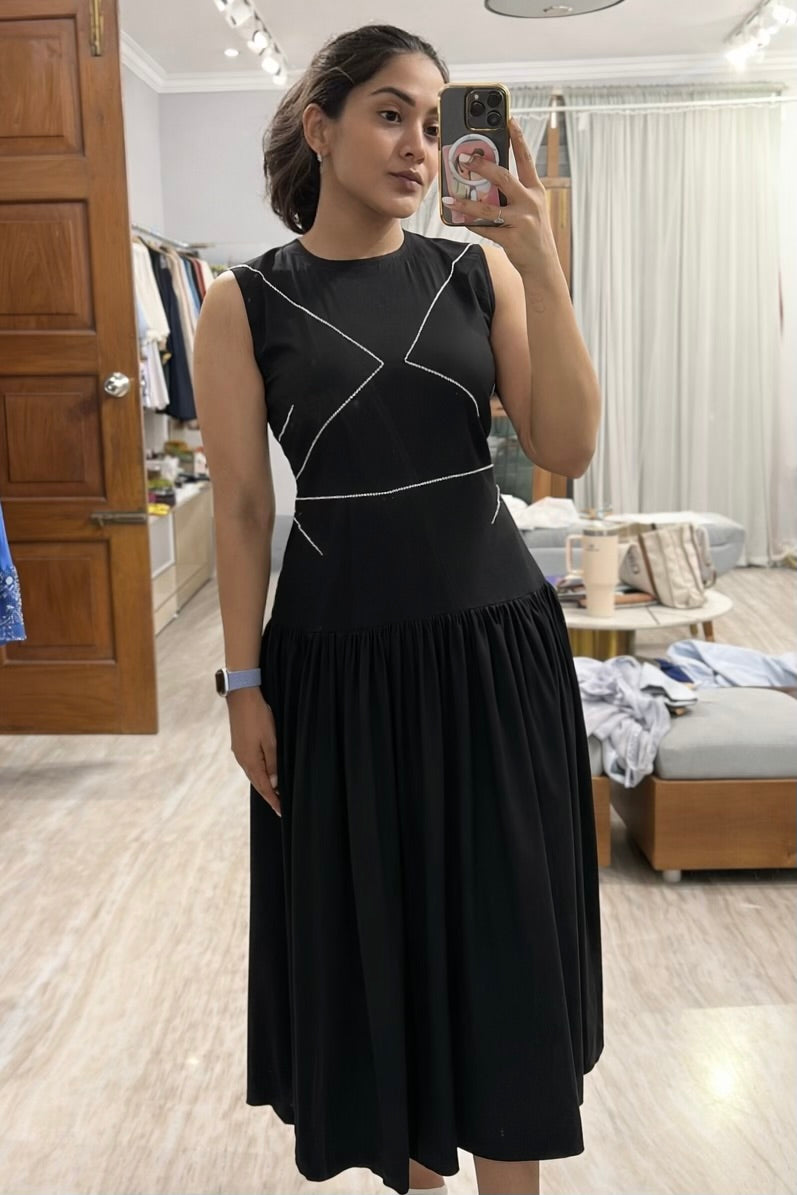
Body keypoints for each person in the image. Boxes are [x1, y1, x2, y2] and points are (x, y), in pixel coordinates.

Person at [193, 23, 604, 1195]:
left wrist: (544, 262)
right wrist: (240, 687)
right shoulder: (244, 303)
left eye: (433, 121)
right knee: (383, 950)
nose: (420, 145)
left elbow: (563, 445)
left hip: (493, 655)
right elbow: (234, 512)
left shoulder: (479, 274)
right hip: (336, 670)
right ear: (318, 126)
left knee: (503, 954)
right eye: (388, 112)